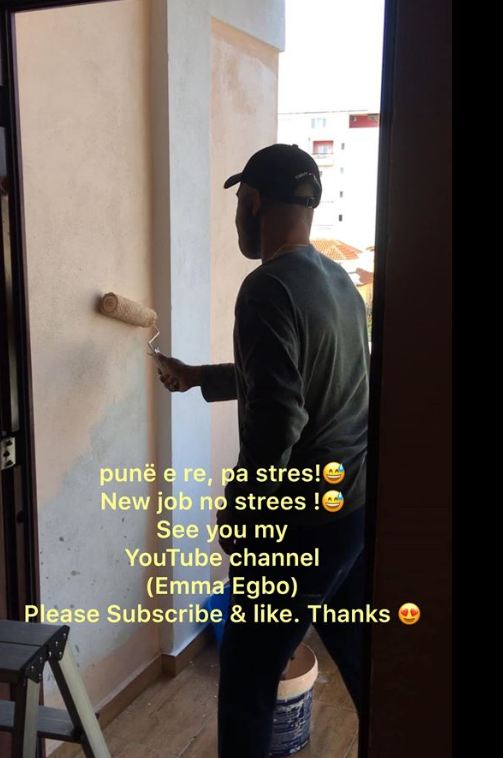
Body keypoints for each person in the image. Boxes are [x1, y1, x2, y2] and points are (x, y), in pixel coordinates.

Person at [157, 144, 370, 758]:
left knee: (248, 681)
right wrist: (199, 377)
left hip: (299, 525)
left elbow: (278, 420)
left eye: (238, 206)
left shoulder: (266, 287)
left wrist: (241, 511)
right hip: (351, 511)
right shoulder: (339, 282)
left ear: (251, 204)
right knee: (362, 659)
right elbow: (306, 382)